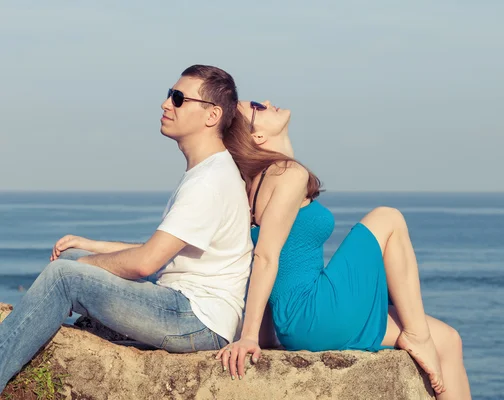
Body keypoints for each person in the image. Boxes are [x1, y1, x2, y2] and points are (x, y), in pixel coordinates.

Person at [0, 65, 254, 392]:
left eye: (178, 99)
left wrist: (79, 267)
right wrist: (92, 246)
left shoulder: (209, 181)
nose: (166, 104)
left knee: (63, 276)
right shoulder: (208, 170)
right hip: (186, 303)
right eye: (168, 95)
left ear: (211, 115)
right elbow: (162, 253)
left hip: (197, 321)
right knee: (76, 255)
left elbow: (144, 264)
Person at [216, 100, 472, 400]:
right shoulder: (288, 173)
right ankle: (417, 336)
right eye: (258, 107)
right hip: (313, 313)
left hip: (300, 321)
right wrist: (250, 335)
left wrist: (267, 334)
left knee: (448, 340)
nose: (269, 103)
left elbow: (275, 261)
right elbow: (266, 257)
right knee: (387, 218)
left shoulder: (256, 184)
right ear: (257, 137)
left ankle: (421, 336)